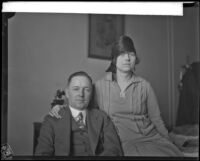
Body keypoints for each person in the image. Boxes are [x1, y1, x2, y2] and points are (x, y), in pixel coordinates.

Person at [49, 35, 183, 156]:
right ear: (114, 59)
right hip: (122, 143)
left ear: (135, 59)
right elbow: (82, 105)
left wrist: (169, 142)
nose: (127, 58)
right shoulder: (100, 86)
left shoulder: (145, 86)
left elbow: (157, 120)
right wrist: (62, 108)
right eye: (122, 54)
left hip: (152, 138)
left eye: (131, 54)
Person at [35, 71, 123, 156]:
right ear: (67, 93)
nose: (81, 94)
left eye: (86, 90)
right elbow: (42, 154)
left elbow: (114, 150)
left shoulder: (102, 117)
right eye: (76, 89)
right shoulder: (52, 119)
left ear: (91, 94)